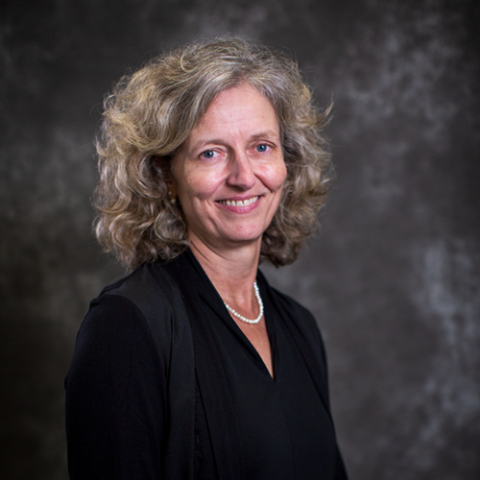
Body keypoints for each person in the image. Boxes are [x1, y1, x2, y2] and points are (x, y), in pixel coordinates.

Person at [65, 37, 348, 480]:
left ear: (286, 164)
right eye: (211, 153)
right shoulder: (126, 327)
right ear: (165, 175)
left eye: (261, 147)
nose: (243, 177)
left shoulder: (300, 328)